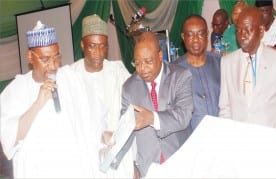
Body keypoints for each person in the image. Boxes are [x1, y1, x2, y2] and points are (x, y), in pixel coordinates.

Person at [0, 21, 108, 178]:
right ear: (30, 57)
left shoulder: (71, 78)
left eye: (56, 57)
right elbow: (10, 139)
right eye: (45, 59)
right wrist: (38, 104)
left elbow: (95, 114)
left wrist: (103, 136)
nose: (53, 65)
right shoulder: (16, 90)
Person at [121, 32, 193, 178]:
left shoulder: (180, 77)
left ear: (160, 56)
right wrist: (129, 161)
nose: (142, 69)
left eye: (148, 61)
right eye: (138, 62)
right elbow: (125, 128)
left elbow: (184, 116)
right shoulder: (128, 87)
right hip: (147, 168)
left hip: (180, 163)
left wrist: (153, 118)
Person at [71, 14, 133, 178]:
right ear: (83, 45)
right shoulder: (71, 77)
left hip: (118, 156)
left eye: (103, 46)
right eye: (92, 46)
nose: (98, 52)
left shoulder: (118, 72)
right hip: (85, 158)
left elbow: (132, 113)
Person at [219, 7, 276, 131]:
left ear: (261, 31)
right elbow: (225, 108)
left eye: (247, 30)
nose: (242, 36)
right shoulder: (227, 63)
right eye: (238, 31)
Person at [173, 14, 220, 130]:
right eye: (190, 34)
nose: (195, 39)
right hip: (191, 139)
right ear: (183, 37)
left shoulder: (219, 63)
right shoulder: (174, 71)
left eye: (200, 34)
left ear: (207, 35)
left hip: (221, 134)